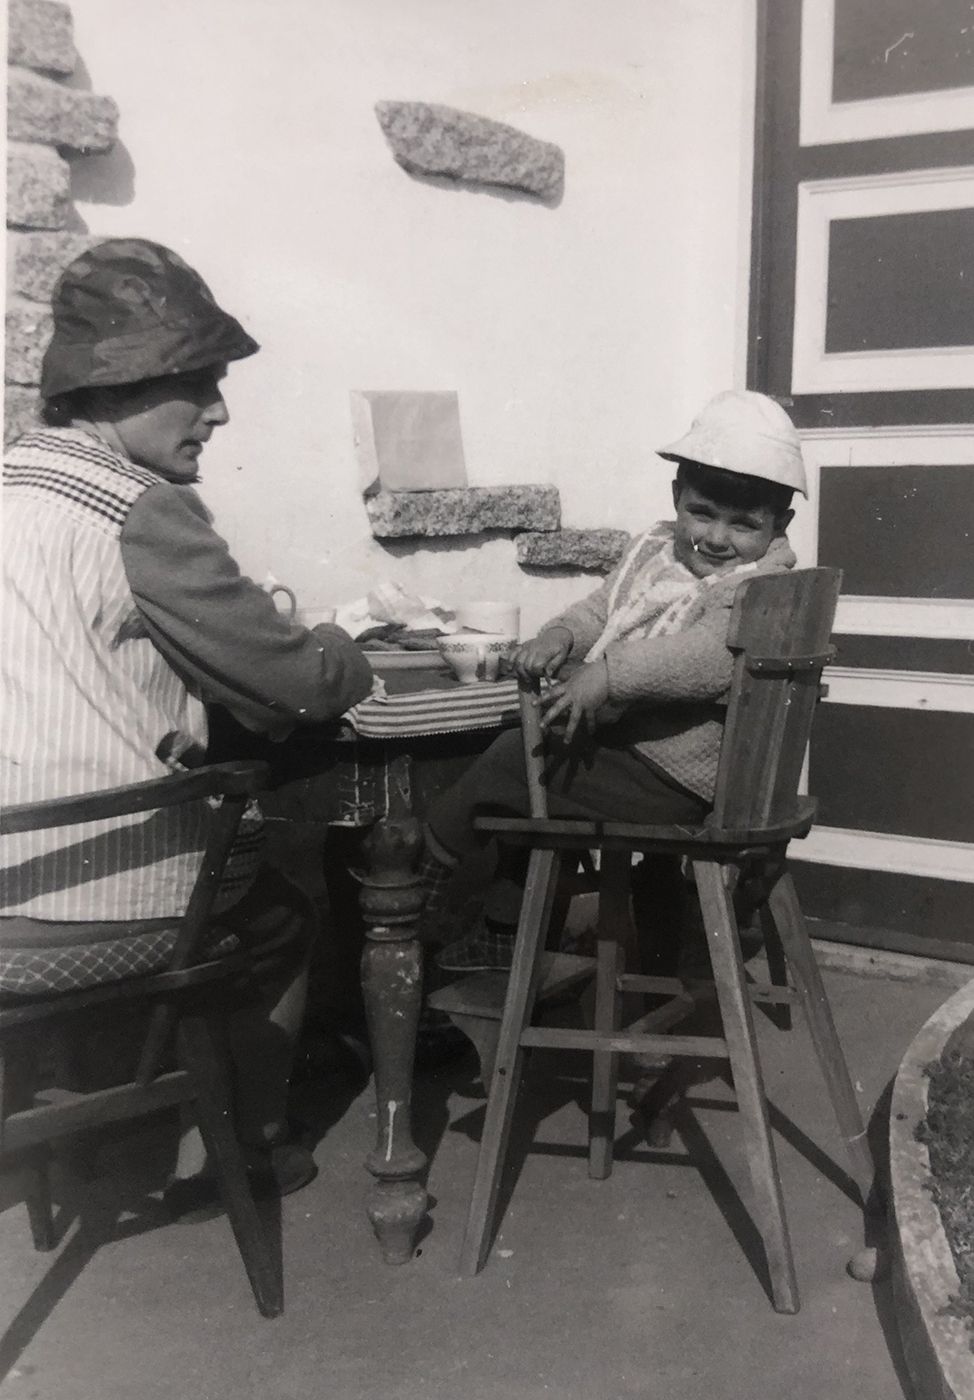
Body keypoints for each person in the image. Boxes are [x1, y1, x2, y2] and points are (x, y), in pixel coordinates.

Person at [0, 238, 375, 1210]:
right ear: (121, 382)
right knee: (287, 897)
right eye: (200, 383)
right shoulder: (138, 509)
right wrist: (345, 637)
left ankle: (102, 1136)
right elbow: (295, 686)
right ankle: (246, 1147)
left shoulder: (12, 488)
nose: (220, 410)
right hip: (86, 903)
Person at [418, 389, 806, 973]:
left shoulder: (755, 586)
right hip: (640, 758)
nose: (718, 538)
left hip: (679, 776)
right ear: (677, 497)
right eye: (702, 513)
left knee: (511, 759)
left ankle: (424, 889)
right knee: (535, 780)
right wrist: (562, 637)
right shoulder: (654, 554)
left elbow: (708, 658)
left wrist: (608, 674)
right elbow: (604, 608)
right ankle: (506, 935)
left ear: (780, 525)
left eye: (743, 524)